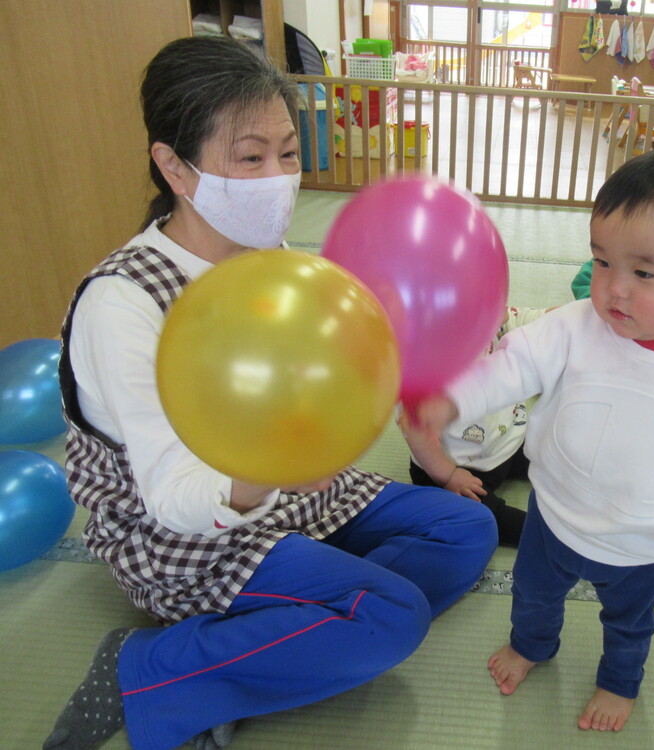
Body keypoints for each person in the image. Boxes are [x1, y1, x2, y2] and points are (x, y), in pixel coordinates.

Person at [46, 36, 496, 750]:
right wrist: (265, 477)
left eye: (288, 153)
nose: (279, 178)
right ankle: (149, 668)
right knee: (393, 617)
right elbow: (170, 495)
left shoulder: (274, 260)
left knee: (467, 528)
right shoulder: (124, 301)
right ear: (174, 166)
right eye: (250, 157)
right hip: (184, 531)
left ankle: (269, 641)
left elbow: (325, 384)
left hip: (300, 493)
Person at [412, 144, 654, 732]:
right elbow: (511, 365)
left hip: (648, 542)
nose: (613, 289)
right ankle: (532, 646)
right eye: (602, 262)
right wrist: (451, 399)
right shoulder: (577, 324)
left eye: (644, 272)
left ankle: (618, 682)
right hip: (554, 515)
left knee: (630, 621)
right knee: (532, 596)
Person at [399, 306, 549, 547]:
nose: (502, 313)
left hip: (509, 440)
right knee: (482, 518)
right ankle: (545, 537)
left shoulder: (490, 321)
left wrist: (557, 317)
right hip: (454, 468)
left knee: (556, 454)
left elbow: (520, 318)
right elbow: (415, 429)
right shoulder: (426, 361)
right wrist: (448, 475)